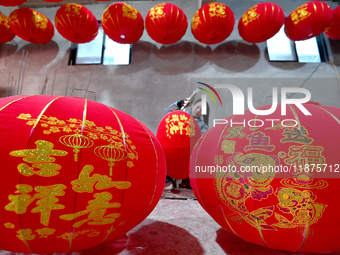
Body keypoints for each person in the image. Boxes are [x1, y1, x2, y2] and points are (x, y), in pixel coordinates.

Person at [163, 96, 210, 191]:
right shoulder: (181, 113)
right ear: (192, 106)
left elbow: (203, 140)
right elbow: (167, 112)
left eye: (201, 110)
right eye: (197, 107)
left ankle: (190, 181)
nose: (198, 110)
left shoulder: (202, 125)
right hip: (173, 147)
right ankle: (166, 180)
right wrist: (179, 104)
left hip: (188, 151)